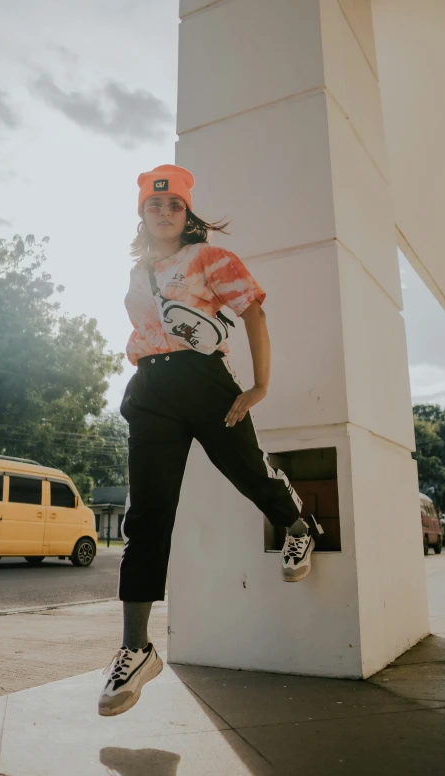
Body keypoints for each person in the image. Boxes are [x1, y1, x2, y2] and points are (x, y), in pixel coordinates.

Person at [98, 164, 320, 717]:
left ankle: (298, 524)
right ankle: (135, 647)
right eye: (155, 205)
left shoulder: (209, 259)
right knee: (146, 513)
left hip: (204, 383)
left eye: (175, 205)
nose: (165, 213)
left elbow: (254, 313)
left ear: (188, 213)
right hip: (151, 388)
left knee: (248, 471)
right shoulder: (136, 272)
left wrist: (261, 385)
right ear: (142, 213)